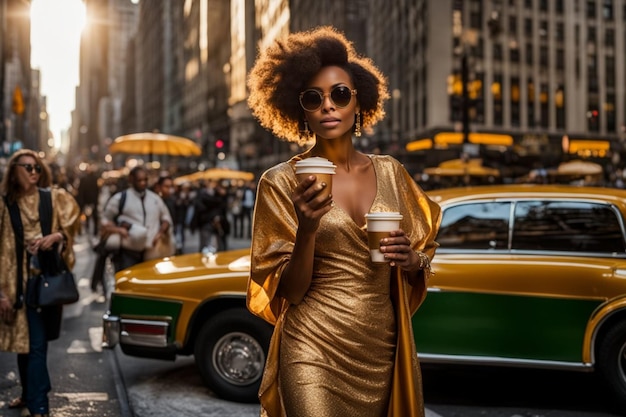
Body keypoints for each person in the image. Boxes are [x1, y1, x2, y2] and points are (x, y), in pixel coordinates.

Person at [246, 27, 441, 417]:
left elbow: (422, 253)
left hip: (379, 345)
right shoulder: (281, 182)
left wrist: (411, 261)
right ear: (299, 110)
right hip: (311, 346)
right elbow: (291, 293)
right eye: (313, 98)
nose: (328, 106)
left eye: (339, 94)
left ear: (359, 102)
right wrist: (307, 229)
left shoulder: (391, 172)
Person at [0, 149, 80, 417]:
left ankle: (37, 402)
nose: (34, 172)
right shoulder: (4, 204)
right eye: (27, 167)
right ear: (14, 171)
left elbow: (72, 224)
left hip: (45, 284)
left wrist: (57, 235)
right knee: (28, 344)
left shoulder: (53, 198)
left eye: (37, 168)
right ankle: (33, 399)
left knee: (35, 344)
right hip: (15, 288)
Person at [100, 166, 173, 272]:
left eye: (145, 180)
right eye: (139, 180)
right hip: (129, 252)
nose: (143, 183)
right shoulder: (120, 198)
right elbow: (104, 221)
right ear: (131, 180)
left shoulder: (155, 199)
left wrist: (160, 233)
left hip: (151, 251)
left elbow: (166, 217)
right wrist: (119, 230)